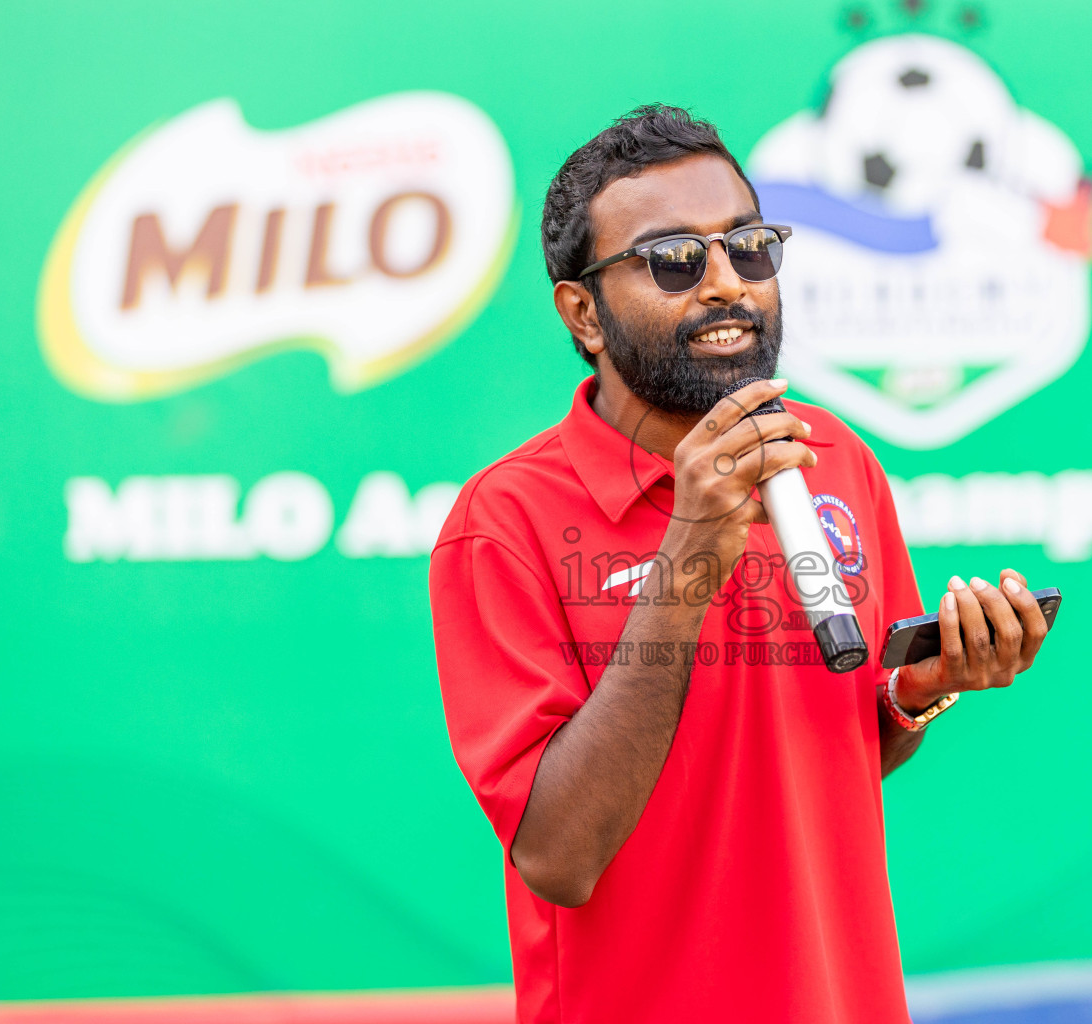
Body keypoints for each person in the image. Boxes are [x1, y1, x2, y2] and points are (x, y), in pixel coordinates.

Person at [429, 104, 1052, 1024]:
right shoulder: (507, 522)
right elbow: (559, 857)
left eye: (749, 246)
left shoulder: (834, 459)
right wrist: (686, 558)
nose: (727, 283)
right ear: (583, 312)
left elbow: (834, 749)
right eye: (675, 259)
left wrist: (921, 689)